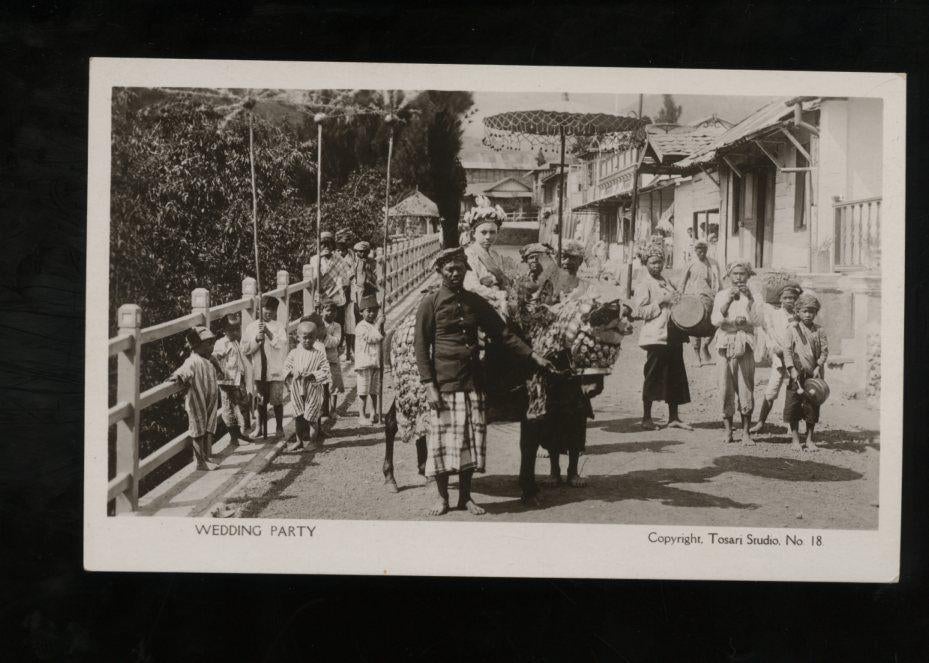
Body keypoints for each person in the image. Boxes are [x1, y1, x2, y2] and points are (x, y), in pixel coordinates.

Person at [413, 247, 557, 516]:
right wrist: (429, 385)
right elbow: (421, 347)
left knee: (470, 441)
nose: (455, 273)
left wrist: (533, 355)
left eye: (459, 268)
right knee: (442, 443)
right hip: (444, 383)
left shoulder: (474, 302)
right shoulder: (430, 303)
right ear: (440, 271)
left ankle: (465, 498)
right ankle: (442, 498)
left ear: (466, 270)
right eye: (450, 269)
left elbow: (503, 334)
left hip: (472, 382)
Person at [632, 244, 692, 430]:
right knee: (652, 375)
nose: (656, 266)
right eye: (652, 262)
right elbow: (638, 311)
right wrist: (661, 301)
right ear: (646, 263)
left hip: (673, 335)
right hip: (656, 336)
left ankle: (673, 417)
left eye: (659, 262)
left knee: (675, 375)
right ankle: (646, 418)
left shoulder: (666, 280)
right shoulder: (644, 284)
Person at [711, 262, 762, 445]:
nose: (739, 277)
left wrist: (750, 302)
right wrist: (729, 300)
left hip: (745, 345)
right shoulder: (721, 295)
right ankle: (728, 431)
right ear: (729, 276)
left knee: (746, 387)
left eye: (742, 274)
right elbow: (716, 320)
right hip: (725, 345)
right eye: (735, 274)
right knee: (725, 387)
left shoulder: (754, 296)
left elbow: (757, 321)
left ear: (748, 276)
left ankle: (746, 432)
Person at [750, 283, 803, 433]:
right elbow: (769, 335)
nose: (789, 301)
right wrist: (776, 349)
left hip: (796, 360)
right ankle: (761, 422)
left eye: (792, 298)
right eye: (785, 297)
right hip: (780, 358)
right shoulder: (774, 315)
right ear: (780, 299)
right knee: (771, 390)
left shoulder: (798, 316)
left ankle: (792, 426)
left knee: (795, 391)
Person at [169, 326, 220, 471]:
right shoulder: (193, 361)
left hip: (208, 400)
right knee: (198, 431)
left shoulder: (208, 360)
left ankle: (206, 456)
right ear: (197, 346)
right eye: (208, 344)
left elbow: (216, 368)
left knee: (207, 428)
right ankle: (200, 462)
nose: (211, 347)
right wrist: (176, 377)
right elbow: (183, 371)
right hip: (197, 401)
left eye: (212, 343)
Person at [783, 293, 829, 452]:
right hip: (796, 373)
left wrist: (818, 366)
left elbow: (824, 351)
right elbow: (787, 351)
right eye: (804, 311)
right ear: (797, 312)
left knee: (812, 407)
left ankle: (809, 439)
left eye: (811, 311)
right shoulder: (792, 329)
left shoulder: (819, 331)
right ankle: (795, 439)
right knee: (794, 404)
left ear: (816, 312)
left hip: (813, 375)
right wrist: (791, 369)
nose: (808, 314)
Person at [242, 296, 289, 439]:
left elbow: (281, 344)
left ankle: (279, 427)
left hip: (275, 371)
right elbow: (245, 349)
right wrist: (256, 339)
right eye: (266, 309)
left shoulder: (279, 326)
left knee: (277, 400)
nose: (269, 312)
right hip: (258, 372)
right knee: (260, 402)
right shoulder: (251, 327)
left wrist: (269, 333)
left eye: (273, 310)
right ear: (259, 309)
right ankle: (260, 428)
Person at [283, 321, 332, 452]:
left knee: (312, 417)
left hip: (313, 389)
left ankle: (313, 441)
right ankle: (299, 441)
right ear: (298, 337)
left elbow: (326, 371)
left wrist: (313, 375)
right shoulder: (294, 353)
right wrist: (293, 372)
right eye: (304, 337)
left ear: (316, 338)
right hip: (297, 388)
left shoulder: (319, 354)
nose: (307, 340)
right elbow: (286, 367)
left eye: (311, 337)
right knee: (298, 415)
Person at [678, 239, 722, 365]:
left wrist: (722, 295)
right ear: (695, 250)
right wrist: (679, 296)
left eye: (703, 250)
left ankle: (706, 345)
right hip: (694, 299)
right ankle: (697, 356)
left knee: (715, 323)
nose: (701, 252)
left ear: (707, 250)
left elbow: (719, 281)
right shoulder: (690, 263)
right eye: (698, 250)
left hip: (711, 298)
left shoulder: (713, 263)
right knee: (695, 326)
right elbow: (682, 282)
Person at [211, 312, 252, 446]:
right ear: (224, 331)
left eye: (237, 329)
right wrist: (220, 372)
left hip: (238, 379)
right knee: (228, 408)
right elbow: (214, 358)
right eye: (231, 330)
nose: (235, 332)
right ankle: (234, 437)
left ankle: (241, 433)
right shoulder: (222, 343)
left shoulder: (235, 342)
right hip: (227, 381)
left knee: (241, 405)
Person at [463, 195, 510, 310]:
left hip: (499, 302)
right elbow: (472, 286)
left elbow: (502, 279)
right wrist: (497, 294)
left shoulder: (494, 254)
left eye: (492, 232)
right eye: (483, 232)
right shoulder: (469, 254)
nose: (488, 237)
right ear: (474, 233)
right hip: (478, 305)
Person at [354, 294, 384, 425]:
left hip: (375, 362)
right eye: (368, 311)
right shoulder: (360, 327)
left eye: (374, 310)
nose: (372, 314)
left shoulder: (375, 324)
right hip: (364, 363)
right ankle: (361, 415)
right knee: (363, 391)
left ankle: (373, 412)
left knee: (374, 390)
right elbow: (373, 338)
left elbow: (381, 336)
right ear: (361, 312)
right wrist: (378, 325)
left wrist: (381, 326)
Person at [319, 300, 344, 419]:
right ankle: (323, 409)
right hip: (319, 359)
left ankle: (333, 409)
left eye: (333, 311)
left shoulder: (337, 326)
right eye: (328, 310)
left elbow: (335, 341)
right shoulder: (318, 323)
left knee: (334, 385)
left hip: (332, 358)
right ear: (322, 311)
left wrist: (324, 335)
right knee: (321, 384)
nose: (330, 313)